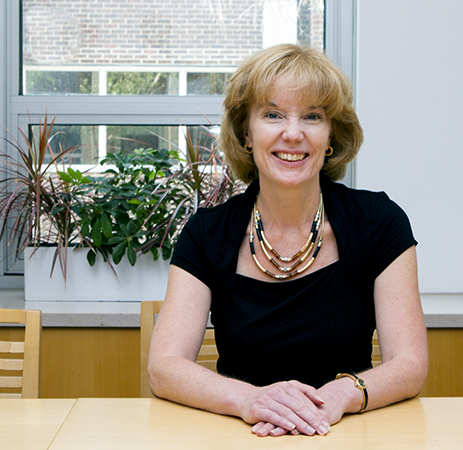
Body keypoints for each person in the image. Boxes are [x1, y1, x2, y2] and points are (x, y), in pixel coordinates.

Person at [148, 44, 428, 437]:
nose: (293, 133)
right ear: (246, 133)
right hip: (240, 437)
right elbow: (164, 367)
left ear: (331, 135)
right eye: (273, 114)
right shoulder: (207, 233)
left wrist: (342, 395)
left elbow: (410, 364)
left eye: (312, 116)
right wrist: (249, 400)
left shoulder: (379, 222)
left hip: (344, 434)